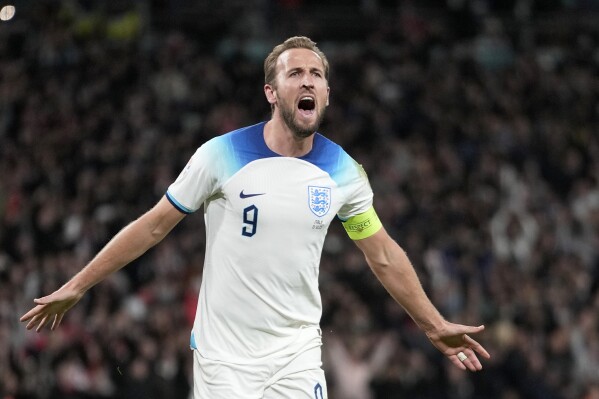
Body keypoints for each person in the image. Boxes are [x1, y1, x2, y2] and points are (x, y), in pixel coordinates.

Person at [20, 36, 490, 398]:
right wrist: (77, 285)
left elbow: (382, 253)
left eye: (316, 75)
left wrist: (432, 324)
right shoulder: (220, 155)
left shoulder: (344, 172)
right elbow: (153, 225)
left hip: (298, 355)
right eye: (295, 73)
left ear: (327, 92)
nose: (307, 81)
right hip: (224, 361)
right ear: (271, 90)